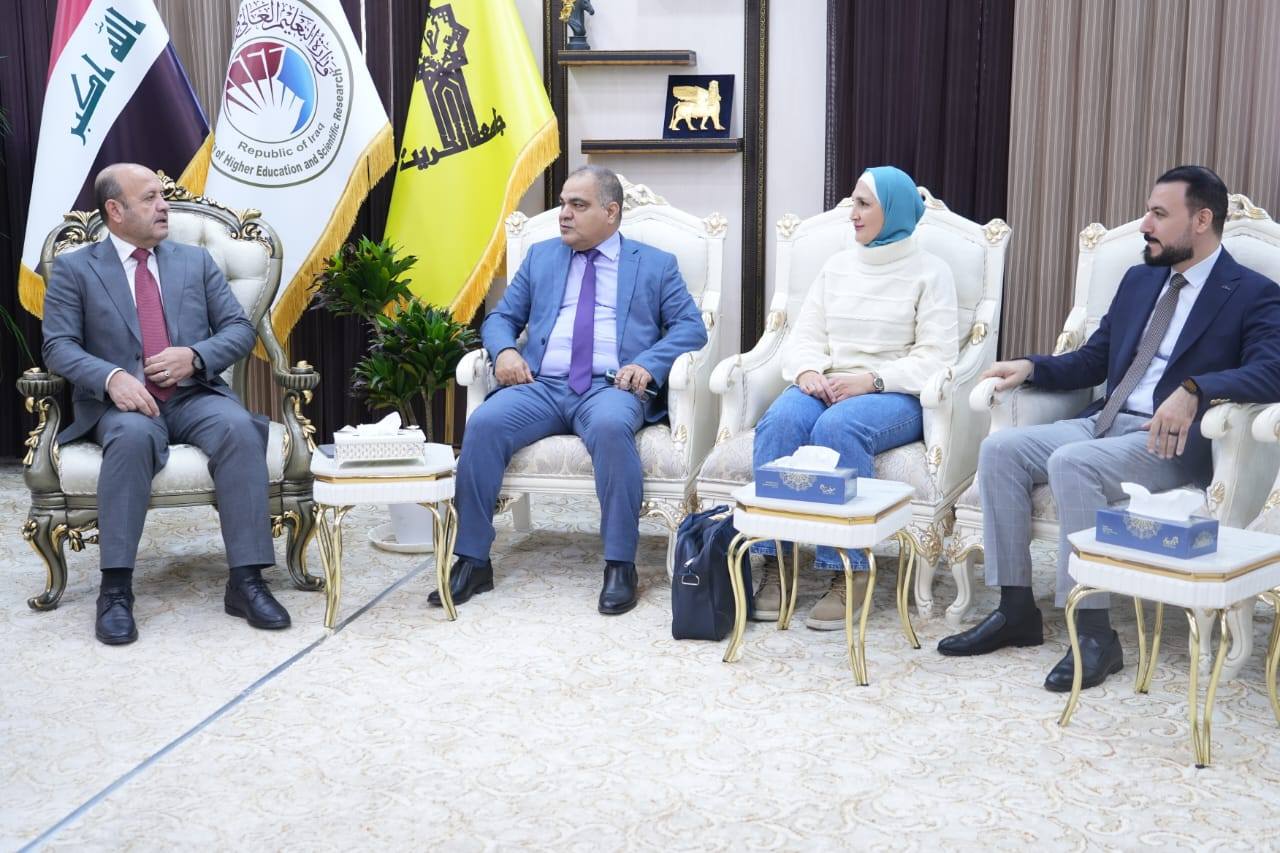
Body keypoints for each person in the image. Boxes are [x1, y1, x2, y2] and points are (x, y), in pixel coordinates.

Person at [937, 165, 1280, 692]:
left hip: (1169, 442)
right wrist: (1031, 367)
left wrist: (1195, 389)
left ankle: (1093, 632)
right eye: (1148, 212)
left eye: (1159, 214)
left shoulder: (1253, 293)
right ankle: (1016, 609)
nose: (1146, 224)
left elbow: (1271, 371)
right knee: (1001, 450)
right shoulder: (1140, 279)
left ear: (1201, 220)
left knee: (1071, 464)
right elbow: (1095, 359)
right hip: (1104, 420)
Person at [434, 165, 707, 615]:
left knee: (611, 429)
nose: (564, 214)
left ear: (611, 212)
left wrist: (648, 363)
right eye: (563, 203)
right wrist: (505, 351)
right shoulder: (541, 257)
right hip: (540, 384)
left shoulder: (654, 264)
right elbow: (501, 318)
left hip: (609, 387)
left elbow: (691, 328)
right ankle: (473, 559)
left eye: (578, 205)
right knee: (483, 424)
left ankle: (620, 565)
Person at [42, 163, 288, 645]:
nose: (164, 207)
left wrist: (194, 356)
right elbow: (58, 346)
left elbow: (239, 330)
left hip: (194, 395)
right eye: (150, 198)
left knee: (240, 428)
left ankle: (247, 582)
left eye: (163, 197)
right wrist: (111, 377)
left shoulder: (195, 262)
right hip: (123, 405)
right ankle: (115, 591)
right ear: (115, 210)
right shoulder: (76, 268)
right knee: (131, 439)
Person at [751, 166, 959, 629]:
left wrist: (872, 380)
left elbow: (937, 359)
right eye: (853, 203)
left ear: (895, 211)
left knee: (837, 427)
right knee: (779, 422)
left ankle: (848, 569)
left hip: (893, 393)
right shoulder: (837, 265)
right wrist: (807, 370)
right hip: (827, 381)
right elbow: (805, 335)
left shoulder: (931, 272)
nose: (853, 213)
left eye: (864, 204)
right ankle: (776, 561)